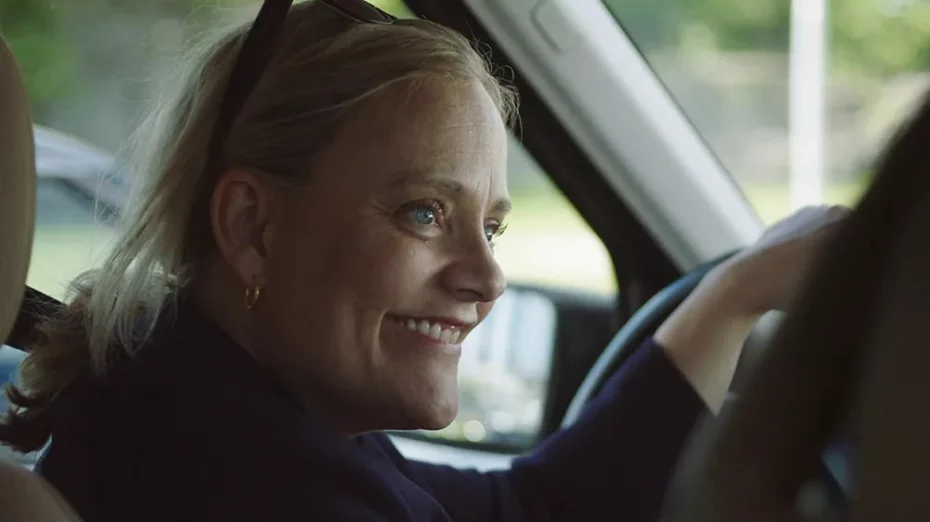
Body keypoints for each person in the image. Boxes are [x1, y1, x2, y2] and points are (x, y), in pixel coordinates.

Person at [0, 1, 847, 520]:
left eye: (493, 228)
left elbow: (534, 507)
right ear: (253, 227)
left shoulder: (182, 398)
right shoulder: (275, 489)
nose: (488, 278)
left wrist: (736, 293)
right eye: (425, 212)